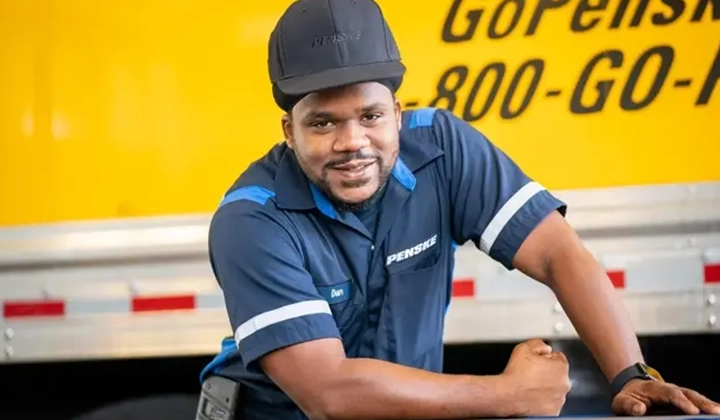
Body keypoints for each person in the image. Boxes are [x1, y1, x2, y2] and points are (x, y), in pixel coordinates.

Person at [203, 0, 720, 419]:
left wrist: (632, 375)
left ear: (398, 116)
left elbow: (558, 252)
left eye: (370, 115)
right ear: (289, 132)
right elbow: (330, 393)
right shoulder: (251, 220)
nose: (352, 141)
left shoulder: (443, 149)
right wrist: (510, 394)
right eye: (323, 124)